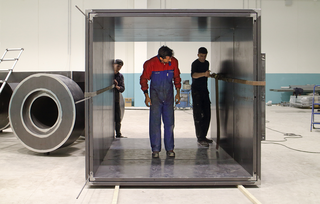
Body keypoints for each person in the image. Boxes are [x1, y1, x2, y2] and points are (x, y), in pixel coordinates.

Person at [140, 46, 181, 158]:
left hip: (169, 97)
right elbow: (143, 79)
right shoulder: (150, 64)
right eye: (168, 59)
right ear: (161, 58)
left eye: (170, 58)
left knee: (169, 123)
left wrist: (178, 92)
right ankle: (155, 149)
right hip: (155, 98)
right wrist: (147, 96)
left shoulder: (174, 62)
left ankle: (170, 149)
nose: (170, 61)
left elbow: (177, 77)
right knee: (155, 124)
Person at [191, 47, 213, 147]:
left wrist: (208, 75)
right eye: (201, 56)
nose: (203, 58)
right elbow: (194, 75)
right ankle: (200, 137)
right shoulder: (195, 64)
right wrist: (204, 74)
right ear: (198, 55)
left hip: (204, 91)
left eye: (204, 56)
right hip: (196, 92)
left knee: (207, 114)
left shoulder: (206, 63)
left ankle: (204, 136)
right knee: (198, 115)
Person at [113, 59, 126, 138]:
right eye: (118, 66)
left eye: (120, 67)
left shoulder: (120, 76)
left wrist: (117, 86)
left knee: (118, 118)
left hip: (115, 99)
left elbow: (122, 88)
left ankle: (118, 134)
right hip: (106, 100)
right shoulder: (108, 75)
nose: (119, 68)